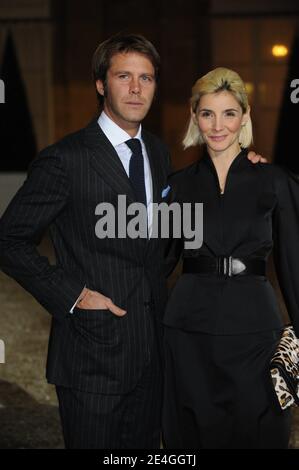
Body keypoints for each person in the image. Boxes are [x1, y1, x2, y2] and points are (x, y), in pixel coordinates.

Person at [0, 33, 264, 449]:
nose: (137, 88)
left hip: (152, 352)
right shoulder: (65, 159)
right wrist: (74, 295)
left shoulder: (158, 154)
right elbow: (8, 240)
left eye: (147, 78)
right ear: (101, 84)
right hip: (92, 355)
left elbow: (161, 242)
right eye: (124, 76)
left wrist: (246, 166)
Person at [162, 67, 298, 449]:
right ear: (194, 116)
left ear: (245, 115)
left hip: (256, 330)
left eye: (229, 113)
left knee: (260, 432)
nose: (217, 125)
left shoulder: (274, 181)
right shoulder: (177, 186)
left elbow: (293, 264)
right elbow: (157, 261)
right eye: (207, 113)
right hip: (188, 332)